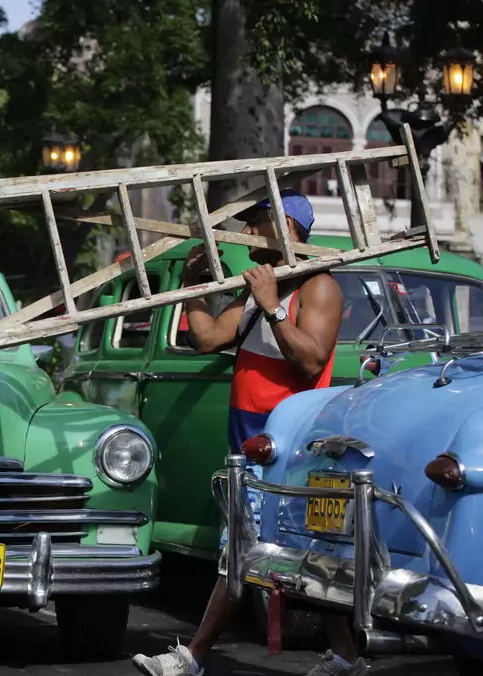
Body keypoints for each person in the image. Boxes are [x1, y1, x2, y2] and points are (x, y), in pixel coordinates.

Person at [131, 189, 363, 676]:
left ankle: (191, 657)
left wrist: (274, 307)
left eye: (256, 224)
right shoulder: (262, 287)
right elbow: (208, 337)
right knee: (295, 557)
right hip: (248, 442)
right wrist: (195, 281)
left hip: (286, 446)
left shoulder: (317, 287)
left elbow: (311, 362)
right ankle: (347, 657)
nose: (248, 234)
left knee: (239, 553)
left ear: (287, 229)